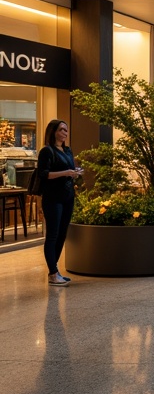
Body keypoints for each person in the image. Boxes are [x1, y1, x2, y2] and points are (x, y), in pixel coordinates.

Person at [38, 119, 82, 285]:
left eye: (66, 130)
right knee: (52, 235)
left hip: (68, 196)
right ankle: (53, 272)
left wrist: (74, 172)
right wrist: (65, 172)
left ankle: (54, 271)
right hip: (53, 198)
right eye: (62, 130)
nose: (65, 133)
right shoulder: (47, 151)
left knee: (62, 234)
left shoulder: (67, 150)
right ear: (53, 132)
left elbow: (68, 170)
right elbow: (44, 174)